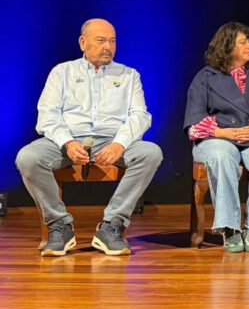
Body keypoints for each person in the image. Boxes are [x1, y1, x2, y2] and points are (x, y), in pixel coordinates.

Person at [15, 19, 162, 256]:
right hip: (67, 139)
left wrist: (119, 144)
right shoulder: (62, 72)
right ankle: (59, 226)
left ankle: (112, 225)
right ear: (83, 43)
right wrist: (68, 142)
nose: (108, 47)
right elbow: (47, 115)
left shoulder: (129, 75)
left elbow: (140, 116)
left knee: (151, 153)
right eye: (101, 40)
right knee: (28, 157)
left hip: (113, 140)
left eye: (112, 41)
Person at [183, 22, 249, 253]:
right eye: (243, 42)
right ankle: (229, 228)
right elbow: (193, 122)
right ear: (227, 46)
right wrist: (221, 132)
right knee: (221, 154)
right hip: (215, 137)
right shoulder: (205, 78)